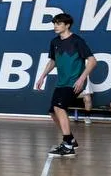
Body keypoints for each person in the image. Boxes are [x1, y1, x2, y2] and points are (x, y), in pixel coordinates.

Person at [36, 12, 96, 157]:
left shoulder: (77, 41)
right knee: (53, 111)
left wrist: (81, 78)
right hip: (61, 82)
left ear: (67, 25)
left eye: (59, 24)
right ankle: (70, 140)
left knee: (59, 107)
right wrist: (43, 76)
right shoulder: (54, 42)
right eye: (54, 24)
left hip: (74, 82)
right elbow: (53, 61)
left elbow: (92, 61)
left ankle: (68, 146)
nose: (55, 26)